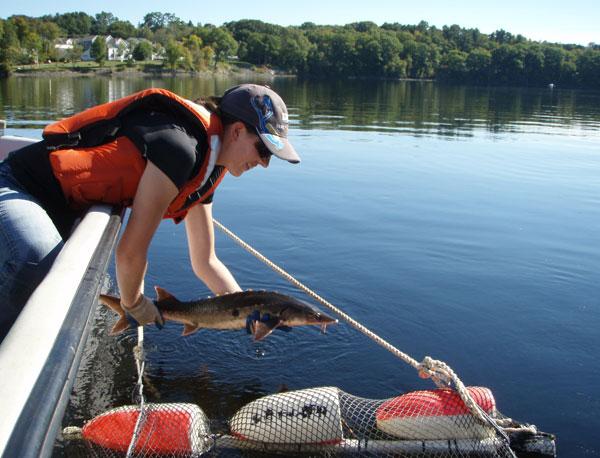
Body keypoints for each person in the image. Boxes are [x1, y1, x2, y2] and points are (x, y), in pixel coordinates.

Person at [0, 84, 300, 342]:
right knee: (37, 260)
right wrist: (132, 302)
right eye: (263, 151)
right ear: (237, 131)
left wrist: (249, 311)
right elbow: (129, 252)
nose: (264, 163)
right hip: (19, 186)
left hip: (65, 206)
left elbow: (206, 261)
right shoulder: (180, 150)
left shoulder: (209, 169)